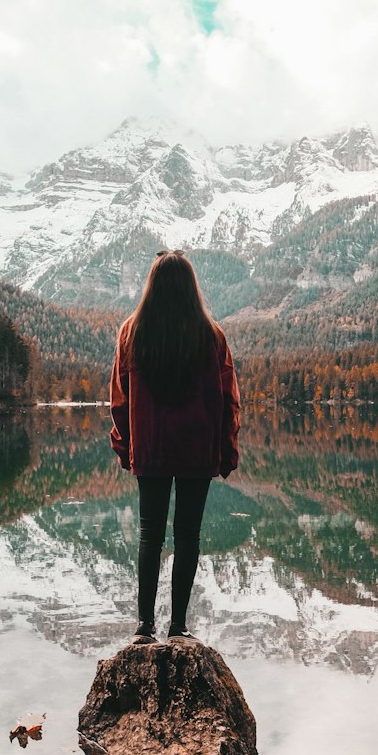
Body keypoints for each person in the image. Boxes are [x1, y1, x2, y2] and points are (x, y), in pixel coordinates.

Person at [109, 250, 240, 642]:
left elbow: (120, 398)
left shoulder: (131, 331)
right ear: (191, 288)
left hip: (150, 448)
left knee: (150, 535)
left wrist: (126, 446)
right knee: (188, 536)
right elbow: (228, 400)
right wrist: (225, 451)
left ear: (151, 287)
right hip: (197, 451)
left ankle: (144, 626)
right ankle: (179, 626)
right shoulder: (211, 336)